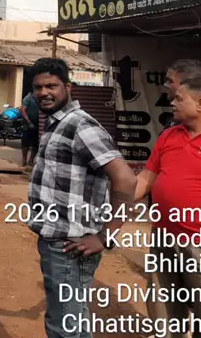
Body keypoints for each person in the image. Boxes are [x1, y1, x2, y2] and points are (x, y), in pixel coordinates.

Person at [27, 58, 136, 338]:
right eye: (37, 87)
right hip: (60, 239)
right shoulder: (56, 124)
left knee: (63, 325)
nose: (43, 92)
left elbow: (125, 179)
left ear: (68, 86)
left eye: (51, 85)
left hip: (70, 244)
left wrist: (105, 236)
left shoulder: (80, 126)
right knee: (73, 319)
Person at [134, 62, 201, 332]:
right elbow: (145, 180)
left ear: (200, 104)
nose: (172, 102)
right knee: (164, 314)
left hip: (200, 244)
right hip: (164, 239)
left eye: (179, 98)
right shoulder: (168, 136)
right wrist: (113, 206)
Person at [19, 91, 40, 168]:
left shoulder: (40, 98)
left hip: (38, 123)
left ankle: (31, 160)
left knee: (36, 143)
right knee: (25, 142)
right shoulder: (28, 98)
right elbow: (22, 110)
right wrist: (29, 122)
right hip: (27, 123)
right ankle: (24, 160)